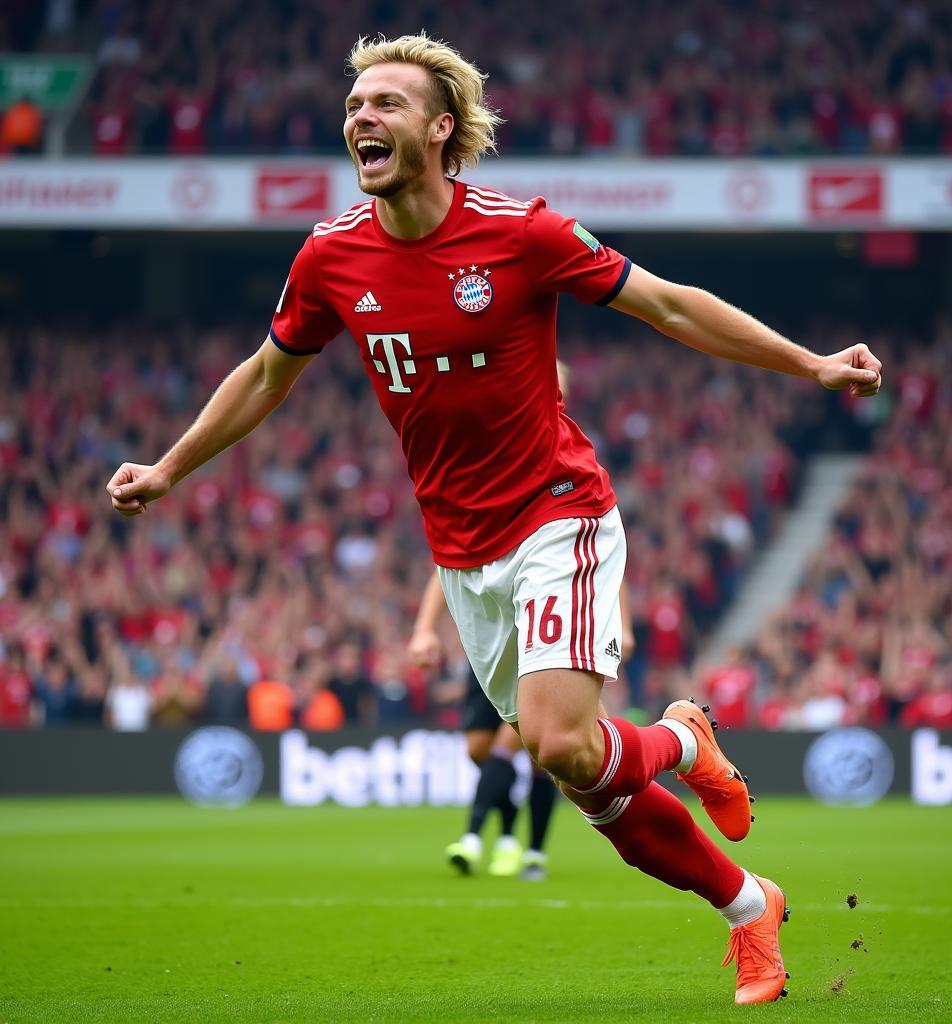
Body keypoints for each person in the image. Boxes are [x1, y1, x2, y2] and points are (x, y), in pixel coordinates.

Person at [107, 33, 882, 1005]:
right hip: (461, 553)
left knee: (557, 742)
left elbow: (671, 308)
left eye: (385, 102)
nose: (360, 117)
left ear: (441, 128)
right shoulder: (330, 255)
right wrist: (172, 466)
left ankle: (683, 742)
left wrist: (810, 362)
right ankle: (741, 894)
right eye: (354, 104)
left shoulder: (523, 234)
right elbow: (268, 374)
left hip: (559, 510)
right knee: (591, 784)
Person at [408, 359, 635, 881]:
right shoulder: (487, 453)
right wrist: (424, 628)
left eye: (560, 385)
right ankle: (516, 838)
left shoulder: (569, 461)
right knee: (484, 749)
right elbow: (452, 555)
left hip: (545, 621)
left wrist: (622, 623)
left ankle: (502, 841)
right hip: (489, 622)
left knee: (537, 744)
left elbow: (600, 553)